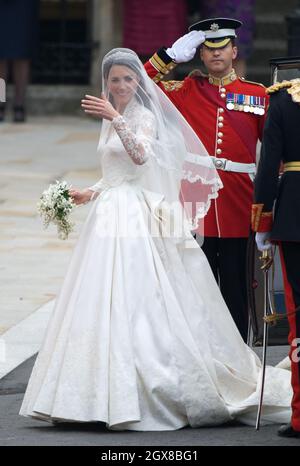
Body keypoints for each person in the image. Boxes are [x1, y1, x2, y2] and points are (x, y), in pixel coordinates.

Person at [20, 48, 291, 431]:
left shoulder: (142, 116)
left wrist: (116, 119)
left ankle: (147, 384)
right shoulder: (117, 116)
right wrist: (90, 191)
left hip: (136, 217)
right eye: (115, 80)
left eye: (128, 79)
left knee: (143, 296)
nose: (121, 85)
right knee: (102, 297)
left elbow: (142, 157)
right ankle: (93, 390)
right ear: (107, 85)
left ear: (137, 84)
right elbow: (118, 173)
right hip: (112, 211)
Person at [144, 18, 268, 342]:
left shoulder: (258, 95)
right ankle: (203, 353)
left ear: (234, 51)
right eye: (208, 49)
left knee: (235, 286)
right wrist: (168, 56)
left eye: (222, 47)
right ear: (200, 55)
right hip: (196, 204)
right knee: (197, 284)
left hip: (238, 203)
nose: (216, 54)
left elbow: (275, 152)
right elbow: (137, 85)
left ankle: (239, 350)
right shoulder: (186, 90)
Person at [252, 77, 300, 438]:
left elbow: (269, 165)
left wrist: (263, 220)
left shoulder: (283, 100)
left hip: (295, 216)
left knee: (299, 315)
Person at [0, 0, 39, 122]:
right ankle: (0, 101)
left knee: (22, 52)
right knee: (1, 55)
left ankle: (19, 103)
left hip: (23, 5)